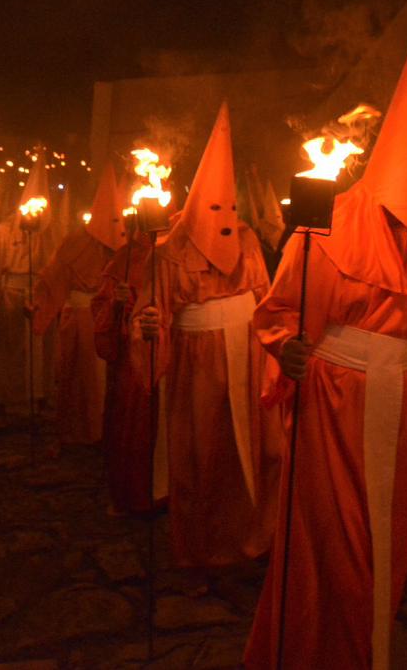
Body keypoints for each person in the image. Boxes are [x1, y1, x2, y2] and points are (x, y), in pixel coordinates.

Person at [243, 18, 407, 670]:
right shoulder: (330, 222)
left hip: (402, 415)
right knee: (339, 544)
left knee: (387, 545)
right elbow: (278, 312)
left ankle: (364, 648)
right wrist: (289, 352)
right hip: (335, 403)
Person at [135, 103, 283, 579]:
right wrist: (149, 327)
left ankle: (252, 539)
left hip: (247, 355)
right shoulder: (170, 249)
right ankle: (200, 549)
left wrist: (279, 346)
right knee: (201, 455)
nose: (225, 217)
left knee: (258, 451)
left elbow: (266, 300)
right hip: (197, 361)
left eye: (229, 206)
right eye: (213, 208)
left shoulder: (248, 240)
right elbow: (150, 310)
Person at [30, 164, 125, 450]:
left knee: (106, 378)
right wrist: (39, 304)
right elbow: (54, 277)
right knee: (80, 378)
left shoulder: (125, 244)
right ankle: (82, 430)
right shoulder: (76, 242)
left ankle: (108, 430)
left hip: (110, 318)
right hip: (82, 317)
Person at [92, 215, 168, 517]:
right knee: (133, 426)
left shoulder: (176, 251)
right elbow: (101, 307)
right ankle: (136, 493)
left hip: (175, 355)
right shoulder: (124, 259)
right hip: (134, 362)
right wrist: (118, 304)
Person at [0, 160, 57, 422]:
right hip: (10, 296)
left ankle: (37, 396)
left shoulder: (49, 233)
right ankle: (3, 398)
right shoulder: (4, 230)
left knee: (37, 351)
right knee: (8, 351)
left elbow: (55, 267)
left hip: (38, 296)